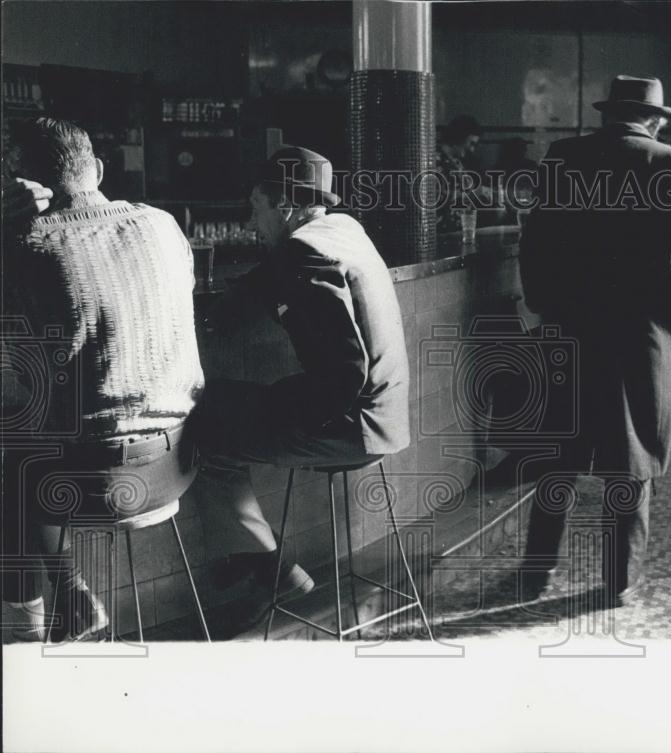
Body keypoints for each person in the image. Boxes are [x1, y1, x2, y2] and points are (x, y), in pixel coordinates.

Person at [516, 75, 671, 606]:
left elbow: (533, 240)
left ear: (609, 115)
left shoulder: (562, 156)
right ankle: (618, 582)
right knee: (630, 458)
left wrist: (542, 307)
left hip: (570, 324)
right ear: (654, 120)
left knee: (559, 452)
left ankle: (536, 571)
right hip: (642, 330)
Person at [185, 146, 410, 626]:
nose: (250, 222)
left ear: (283, 204)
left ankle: (268, 568)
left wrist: (276, 415)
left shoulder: (304, 253)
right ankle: (249, 560)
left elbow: (343, 373)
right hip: (386, 414)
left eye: (255, 207)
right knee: (226, 408)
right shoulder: (342, 230)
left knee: (200, 428)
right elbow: (279, 276)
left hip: (352, 423)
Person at [1, 118, 205, 641]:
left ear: (19, 181)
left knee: (12, 459)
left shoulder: (25, 245)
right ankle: (68, 598)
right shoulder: (164, 225)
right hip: (176, 463)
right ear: (97, 168)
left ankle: (28, 641)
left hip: (87, 484)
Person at [436, 114, 482, 233]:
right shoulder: (435, 160)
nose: (472, 150)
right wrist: (477, 193)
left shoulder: (457, 162)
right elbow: (436, 200)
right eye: (471, 143)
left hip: (459, 232)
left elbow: (467, 193)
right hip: (441, 234)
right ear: (459, 137)